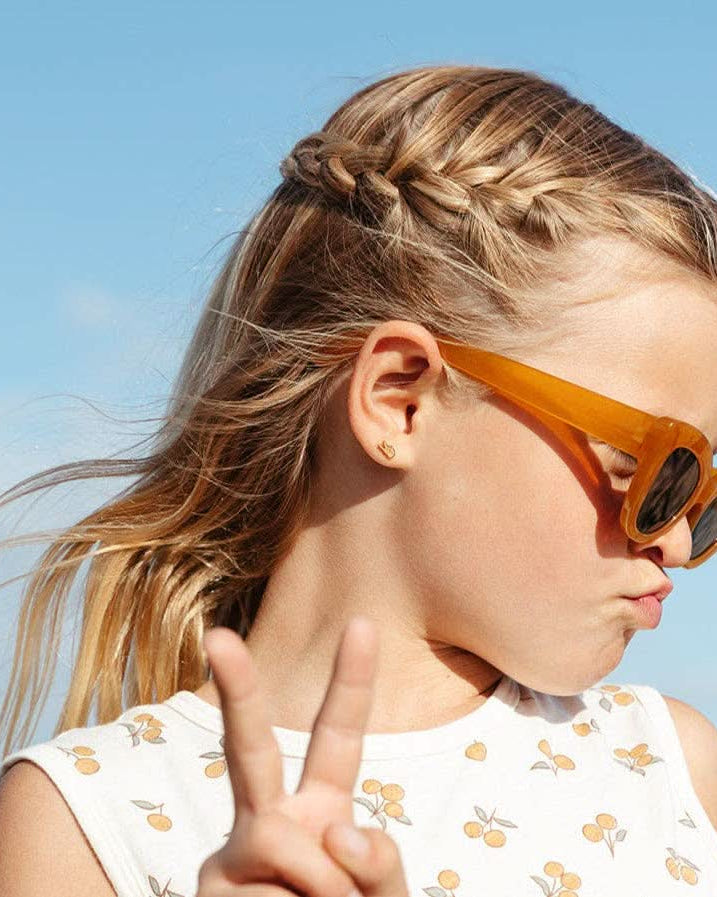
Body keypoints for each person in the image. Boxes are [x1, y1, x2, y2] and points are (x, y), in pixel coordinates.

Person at [1, 63, 717, 897]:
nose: (674, 537)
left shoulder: (674, 770)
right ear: (399, 400)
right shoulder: (82, 822)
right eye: (651, 470)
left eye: (703, 492)